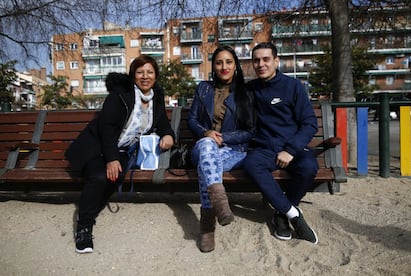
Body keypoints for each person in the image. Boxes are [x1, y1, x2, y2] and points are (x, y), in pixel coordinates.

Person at [65, 55, 175, 253]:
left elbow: (163, 123)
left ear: (156, 76)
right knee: (100, 177)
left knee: (117, 175)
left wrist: (168, 135)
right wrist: (111, 159)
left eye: (149, 72)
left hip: (125, 150)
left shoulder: (156, 97)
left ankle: (90, 209)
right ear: (133, 75)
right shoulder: (120, 94)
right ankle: (84, 227)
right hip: (98, 147)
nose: (145, 76)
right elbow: (106, 128)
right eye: (140, 72)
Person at [244, 42, 319, 244]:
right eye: (256, 60)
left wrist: (291, 150)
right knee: (251, 164)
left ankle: (279, 214)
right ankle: (293, 213)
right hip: (265, 149)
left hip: (292, 148)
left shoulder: (293, 86)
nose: (261, 64)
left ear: (276, 61)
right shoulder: (249, 90)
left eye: (266, 59)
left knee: (309, 166)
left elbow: (310, 123)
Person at [188, 45, 254, 252]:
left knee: (206, 167)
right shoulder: (204, 88)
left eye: (228, 62)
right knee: (207, 146)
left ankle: (207, 227)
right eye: (219, 62)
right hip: (203, 146)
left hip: (233, 151)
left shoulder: (246, 92)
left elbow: (250, 131)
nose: (223, 66)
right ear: (213, 66)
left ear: (235, 66)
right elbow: (191, 120)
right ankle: (220, 202)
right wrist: (206, 133)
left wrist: (224, 137)